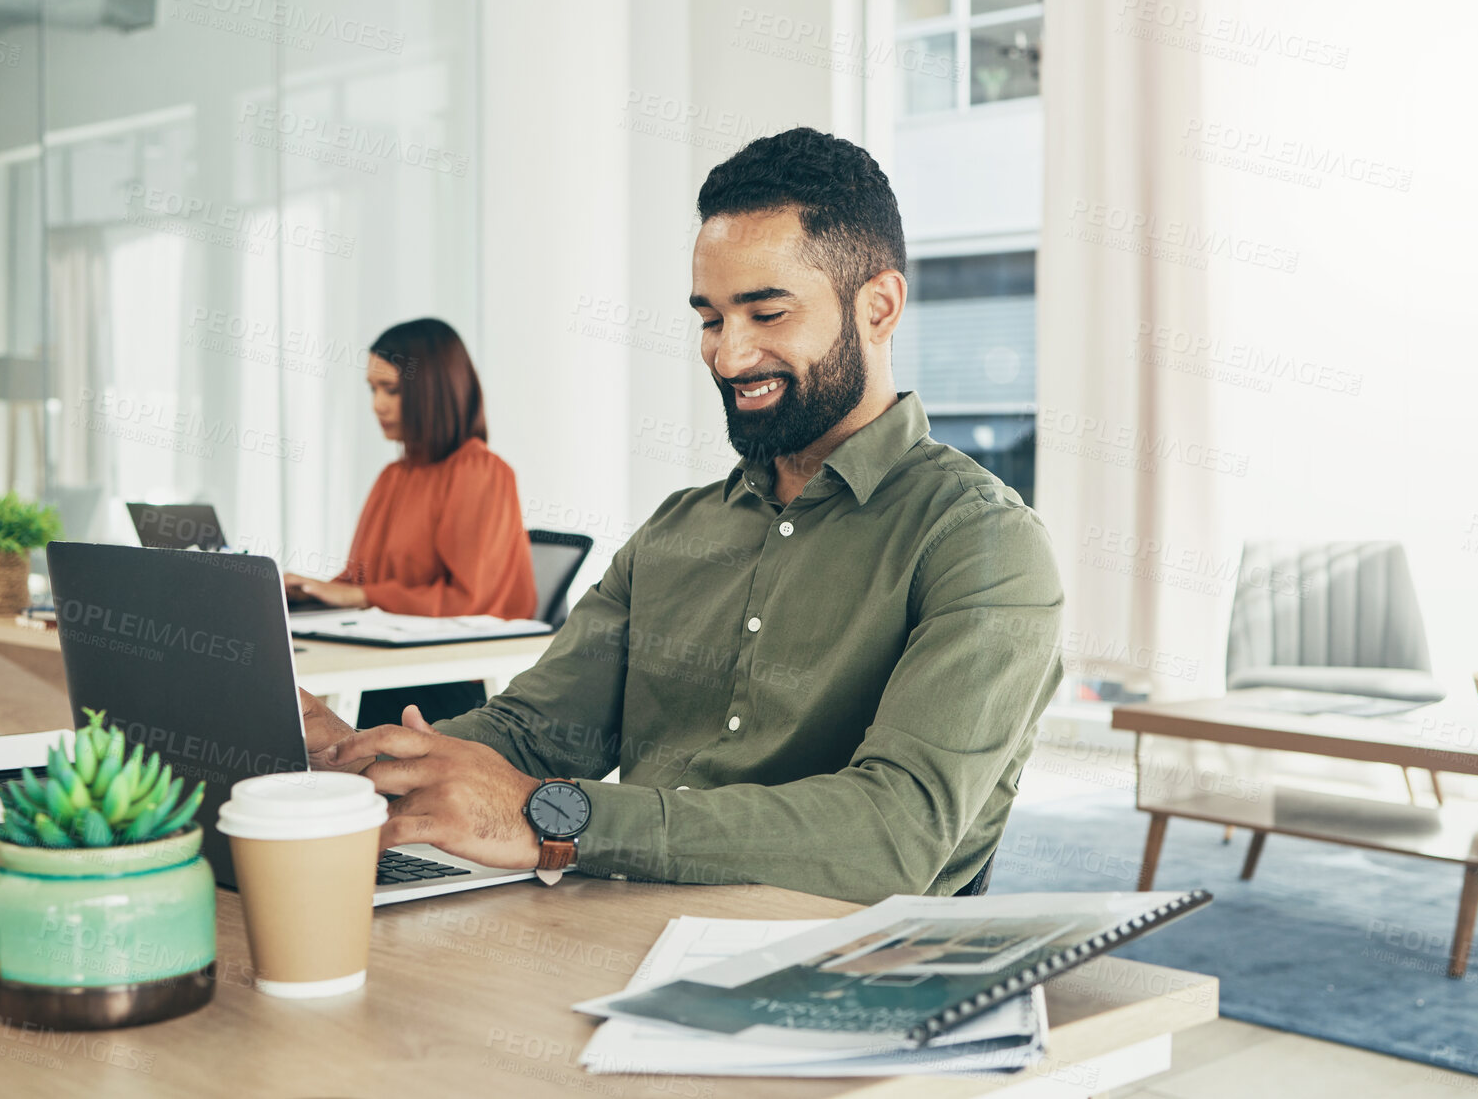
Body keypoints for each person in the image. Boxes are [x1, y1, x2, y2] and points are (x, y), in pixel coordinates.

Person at [298, 129, 1064, 904]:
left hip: (820, 965)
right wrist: (351, 757)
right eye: (710, 319)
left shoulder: (981, 543)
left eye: (766, 314)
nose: (728, 358)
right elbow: (534, 733)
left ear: (878, 307)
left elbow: (892, 832)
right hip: (613, 916)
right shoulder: (676, 531)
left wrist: (551, 817)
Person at [286, 318, 537, 722]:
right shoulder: (393, 476)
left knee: (295, 721)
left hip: (442, 686)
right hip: (383, 668)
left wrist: (363, 596)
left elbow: (469, 602)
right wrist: (308, 593)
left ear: (433, 392)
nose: (377, 405)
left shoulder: (481, 472)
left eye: (392, 390)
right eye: (372, 389)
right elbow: (361, 580)